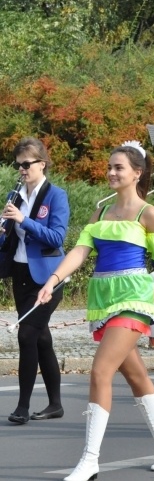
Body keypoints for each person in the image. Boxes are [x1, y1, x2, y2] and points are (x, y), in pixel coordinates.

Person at [37, 142, 154, 480]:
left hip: (134, 299)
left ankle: (89, 460)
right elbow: (79, 252)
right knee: (135, 375)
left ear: (137, 173)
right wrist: (52, 280)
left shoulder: (149, 214)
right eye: (109, 166)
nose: (111, 172)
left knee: (99, 372)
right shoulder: (101, 212)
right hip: (103, 300)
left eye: (119, 167)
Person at [0, 138, 69, 425]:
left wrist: (24, 220)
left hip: (49, 277)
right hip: (21, 274)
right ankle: (55, 404)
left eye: (26, 164)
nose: (22, 169)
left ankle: (22, 407)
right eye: (18, 165)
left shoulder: (56, 195)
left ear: (42, 163)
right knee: (41, 338)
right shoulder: (15, 194)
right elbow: (11, 236)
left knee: (26, 335)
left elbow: (57, 237)